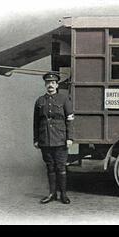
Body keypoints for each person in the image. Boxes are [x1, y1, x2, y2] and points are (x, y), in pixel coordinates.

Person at [33, 72, 74, 204]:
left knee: (61, 168)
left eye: (53, 83)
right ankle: (52, 194)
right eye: (48, 83)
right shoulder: (40, 101)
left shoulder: (64, 99)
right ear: (45, 85)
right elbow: (36, 122)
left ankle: (63, 194)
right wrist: (36, 139)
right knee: (50, 167)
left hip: (61, 139)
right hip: (45, 139)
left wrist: (70, 138)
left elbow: (70, 120)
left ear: (57, 85)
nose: (50, 85)